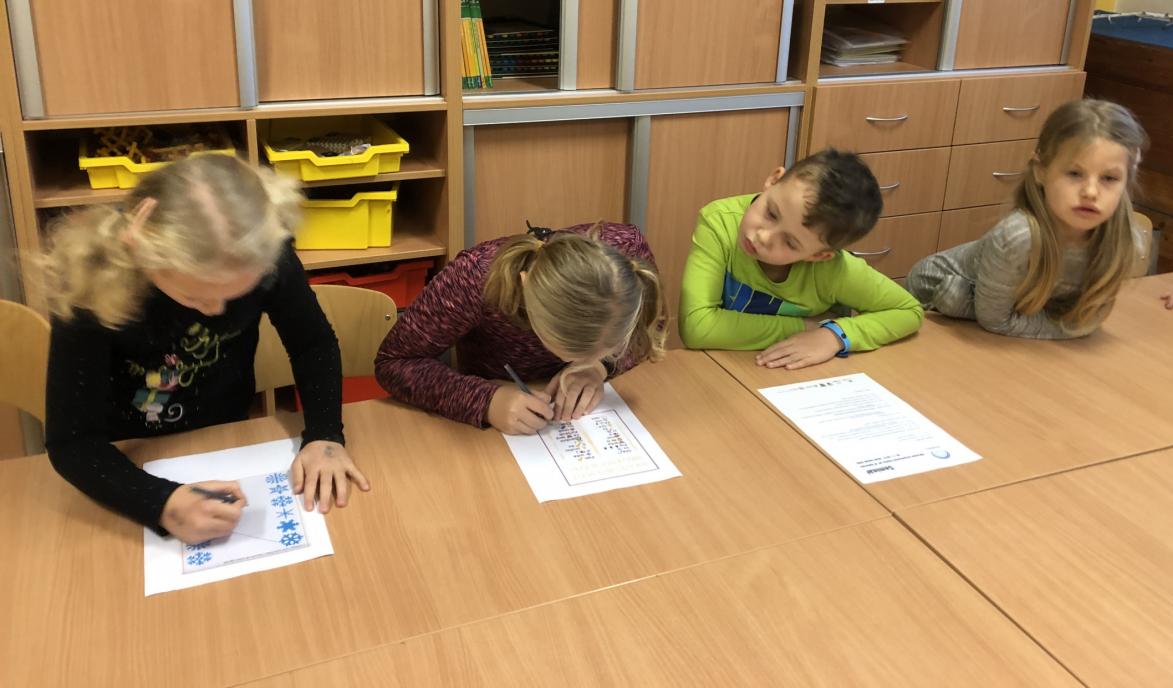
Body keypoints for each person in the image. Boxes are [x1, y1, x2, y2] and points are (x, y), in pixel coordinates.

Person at [44, 154, 368, 545]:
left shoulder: (266, 251)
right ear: (143, 252)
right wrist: (160, 503)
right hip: (130, 453)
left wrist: (325, 435)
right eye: (194, 297)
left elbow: (311, 344)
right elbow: (73, 443)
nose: (216, 311)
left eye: (234, 295)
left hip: (226, 435)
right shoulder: (94, 280)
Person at [375, 223, 665, 434]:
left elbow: (651, 331)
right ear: (525, 289)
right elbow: (394, 363)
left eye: (607, 350)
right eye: (569, 353)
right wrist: (486, 401)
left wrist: (599, 368)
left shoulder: (628, 257)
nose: (578, 361)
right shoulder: (474, 279)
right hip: (495, 425)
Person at [908, 99, 1148, 339]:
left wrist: (1074, 327)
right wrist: (1070, 329)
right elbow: (997, 320)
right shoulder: (1018, 237)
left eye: (1109, 178)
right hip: (931, 297)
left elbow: (1088, 317)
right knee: (954, 298)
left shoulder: (1126, 243)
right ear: (1040, 171)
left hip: (1007, 315)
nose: (1091, 192)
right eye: (1075, 174)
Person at [680, 148, 923, 369]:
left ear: (818, 256)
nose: (763, 236)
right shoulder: (719, 222)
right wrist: (807, 326)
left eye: (789, 242)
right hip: (724, 369)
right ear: (774, 180)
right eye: (771, 213)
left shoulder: (834, 270)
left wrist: (833, 336)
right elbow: (696, 326)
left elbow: (908, 310)